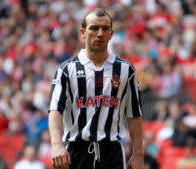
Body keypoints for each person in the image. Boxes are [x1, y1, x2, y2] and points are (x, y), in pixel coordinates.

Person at [48, 8, 145, 169]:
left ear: (111, 34)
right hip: (76, 152)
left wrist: (138, 155)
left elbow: (134, 114)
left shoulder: (126, 70)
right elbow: (55, 110)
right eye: (94, 28)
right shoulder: (66, 69)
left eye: (105, 29)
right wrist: (56, 144)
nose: (99, 33)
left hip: (111, 152)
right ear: (83, 32)